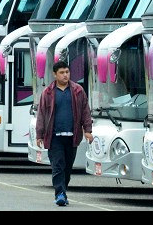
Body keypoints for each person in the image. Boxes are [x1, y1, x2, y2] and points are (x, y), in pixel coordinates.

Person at [35, 60, 94, 206]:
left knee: (67, 168)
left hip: (72, 136)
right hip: (54, 137)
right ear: (55, 75)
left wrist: (87, 130)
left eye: (67, 72)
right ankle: (60, 193)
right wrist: (39, 134)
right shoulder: (48, 92)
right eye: (61, 73)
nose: (65, 75)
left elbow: (85, 111)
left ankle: (63, 191)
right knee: (58, 166)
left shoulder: (78, 91)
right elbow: (41, 114)